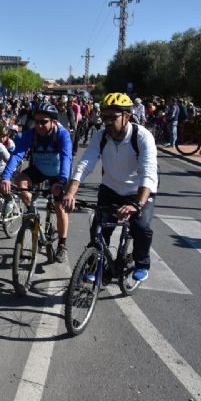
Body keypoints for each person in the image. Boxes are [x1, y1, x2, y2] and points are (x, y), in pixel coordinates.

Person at [62, 93, 158, 282]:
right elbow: (85, 164)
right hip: (111, 189)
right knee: (98, 229)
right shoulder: (101, 136)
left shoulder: (142, 137)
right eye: (104, 117)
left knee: (141, 226)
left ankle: (141, 262)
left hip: (138, 191)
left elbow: (148, 173)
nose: (106, 122)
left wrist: (137, 205)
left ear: (127, 117)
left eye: (112, 117)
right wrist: (70, 192)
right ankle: (97, 266)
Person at [0, 102, 73, 262]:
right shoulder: (32, 133)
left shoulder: (62, 134)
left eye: (44, 121)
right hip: (39, 169)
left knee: (59, 207)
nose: (39, 125)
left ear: (53, 121)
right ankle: (33, 212)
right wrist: (6, 176)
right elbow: (17, 154)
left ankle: (62, 245)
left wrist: (61, 181)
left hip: (58, 173)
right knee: (20, 181)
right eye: (37, 121)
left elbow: (67, 158)